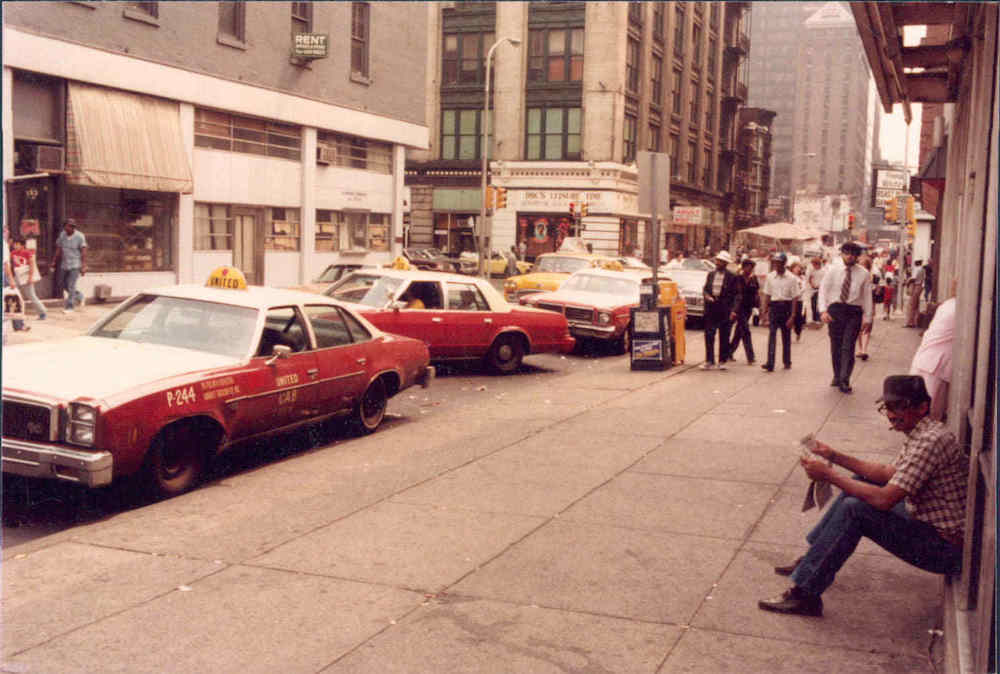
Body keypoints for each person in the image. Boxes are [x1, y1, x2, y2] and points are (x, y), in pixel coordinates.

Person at [759, 375, 967, 617]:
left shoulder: (931, 441)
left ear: (922, 407)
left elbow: (885, 499)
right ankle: (812, 561)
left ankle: (805, 594)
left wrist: (830, 475)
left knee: (854, 510)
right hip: (928, 526)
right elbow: (885, 473)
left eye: (900, 407)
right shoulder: (923, 431)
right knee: (859, 483)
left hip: (944, 548)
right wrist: (835, 456)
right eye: (887, 407)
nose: (891, 414)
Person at [818, 241, 872, 394]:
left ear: (857, 256)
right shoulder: (832, 270)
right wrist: (823, 311)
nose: (849, 257)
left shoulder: (864, 274)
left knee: (848, 346)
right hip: (835, 310)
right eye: (846, 253)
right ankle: (837, 375)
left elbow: (867, 296)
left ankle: (845, 379)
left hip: (853, 312)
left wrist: (868, 319)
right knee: (836, 346)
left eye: (853, 254)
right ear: (841, 254)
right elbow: (823, 290)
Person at [910, 283, 956, 421]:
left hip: (926, 360)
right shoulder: (960, 308)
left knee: (920, 411)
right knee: (929, 415)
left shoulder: (948, 304)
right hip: (936, 366)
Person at [699, 251, 740, 370]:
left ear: (725, 263)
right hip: (712, 306)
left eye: (721, 262)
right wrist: (707, 296)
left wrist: (734, 310)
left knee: (724, 335)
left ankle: (722, 360)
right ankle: (709, 360)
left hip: (725, 308)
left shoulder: (732, 276)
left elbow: (737, 295)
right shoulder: (711, 274)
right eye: (717, 261)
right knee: (709, 334)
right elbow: (705, 289)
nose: (718, 263)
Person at [759, 252, 799, 371]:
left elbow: (794, 298)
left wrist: (792, 315)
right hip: (774, 307)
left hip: (786, 307)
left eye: (779, 263)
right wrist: (764, 311)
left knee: (786, 335)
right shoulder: (770, 277)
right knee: (772, 334)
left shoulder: (792, 278)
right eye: (775, 263)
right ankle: (770, 362)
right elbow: (767, 294)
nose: (777, 265)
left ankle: (787, 361)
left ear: (784, 264)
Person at [51, 218, 87, 313]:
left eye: (71, 227)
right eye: (67, 226)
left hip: (75, 264)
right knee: (63, 284)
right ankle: (79, 296)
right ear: (64, 227)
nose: (69, 229)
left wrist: (83, 266)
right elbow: (59, 248)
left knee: (71, 285)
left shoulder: (80, 236)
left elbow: (83, 252)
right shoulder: (62, 235)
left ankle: (70, 307)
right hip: (64, 264)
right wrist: (54, 262)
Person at [728, 257, 759, 364]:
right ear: (744, 267)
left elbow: (756, 294)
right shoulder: (737, 278)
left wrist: (756, 307)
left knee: (739, 332)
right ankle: (750, 357)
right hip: (737, 307)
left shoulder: (753, 279)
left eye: (751, 268)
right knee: (746, 330)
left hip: (747, 308)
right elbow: (732, 293)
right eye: (748, 267)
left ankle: (729, 352)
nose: (749, 270)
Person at [10, 236, 46, 321]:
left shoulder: (27, 253)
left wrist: (30, 277)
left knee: (31, 295)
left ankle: (42, 312)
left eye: (17, 244)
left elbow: (32, 265)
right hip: (17, 275)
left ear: (22, 245)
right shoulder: (13, 253)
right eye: (14, 244)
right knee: (15, 294)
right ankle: (17, 313)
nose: (15, 246)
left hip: (26, 275)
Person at [3, 230, 28, 332]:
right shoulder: (3, 245)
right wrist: (11, 280)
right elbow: (6, 264)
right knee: (13, 298)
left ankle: (18, 325)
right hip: (3, 275)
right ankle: (19, 325)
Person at [855, 255, 874, 361]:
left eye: (864, 265)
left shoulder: (870, 277)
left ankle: (864, 350)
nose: (862, 267)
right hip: (857, 306)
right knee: (858, 328)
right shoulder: (855, 276)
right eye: (860, 265)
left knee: (867, 327)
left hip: (867, 306)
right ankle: (860, 348)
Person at [788, 261, 808, 342]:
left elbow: (804, 287)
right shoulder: (789, 277)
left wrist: (799, 292)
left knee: (798, 317)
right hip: (790, 300)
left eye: (799, 268)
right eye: (796, 267)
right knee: (789, 316)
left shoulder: (802, 278)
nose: (798, 269)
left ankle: (798, 332)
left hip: (799, 299)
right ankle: (788, 334)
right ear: (792, 269)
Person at [904, 261, 925, 327]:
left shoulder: (917, 269)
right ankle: (916, 321)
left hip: (916, 286)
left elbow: (913, 278)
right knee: (916, 305)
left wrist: (907, 283)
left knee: (912, 305)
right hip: (919, 286)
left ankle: (910, 322)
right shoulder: (922, 269)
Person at [806, 257, 825, 324]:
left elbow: (824, 280)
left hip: (820, 289)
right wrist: (812, 285)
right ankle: (814, 318)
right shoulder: (812, 271)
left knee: (819, 304)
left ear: (818, 264)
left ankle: (819, 318)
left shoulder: (823, 271)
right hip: (813, 290)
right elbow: (809, 279)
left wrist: (820, 286)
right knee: (813, 304)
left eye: (814, 264)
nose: (813, 266)